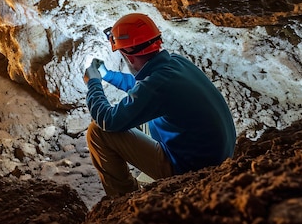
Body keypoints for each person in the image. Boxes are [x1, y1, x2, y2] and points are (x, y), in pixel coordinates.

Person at [83, 13, 236, 197]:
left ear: (129, 58)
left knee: (98, 132)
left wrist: (93, 83)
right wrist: (108, 75)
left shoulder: (158, 85)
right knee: (134, 114)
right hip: (213, 155)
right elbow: (144, 90)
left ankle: (123, 199)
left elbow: (107, 120)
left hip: (193, 170)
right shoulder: (176, 63)